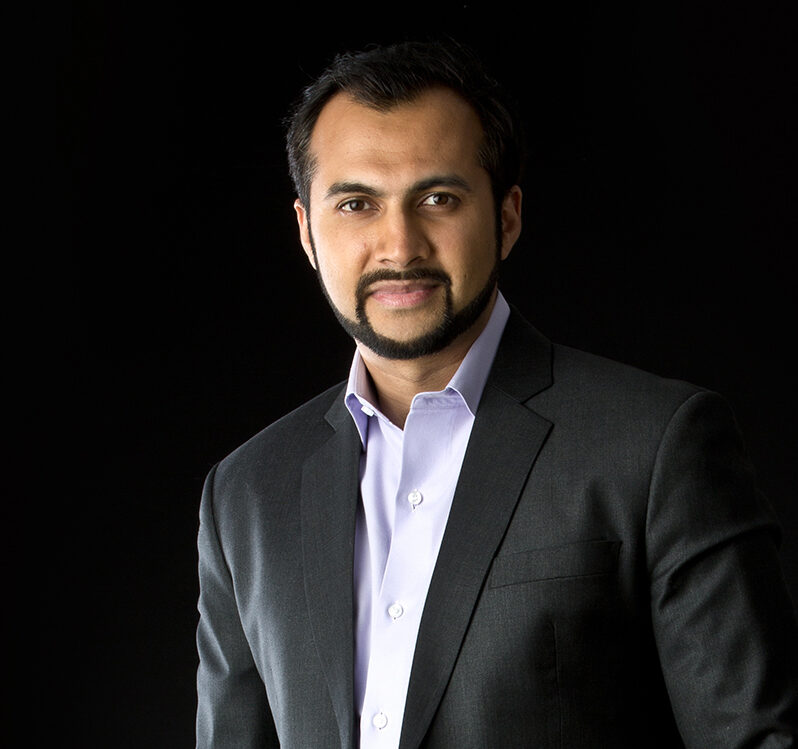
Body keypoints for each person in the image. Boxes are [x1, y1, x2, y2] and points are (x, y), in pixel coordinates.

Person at [195, 40, 798, 748]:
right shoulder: (246, 494)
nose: (400, 245)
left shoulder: (655, 446)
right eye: (357, 204)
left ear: (506, 217)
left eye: (438, 199)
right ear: (306, 231)